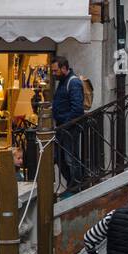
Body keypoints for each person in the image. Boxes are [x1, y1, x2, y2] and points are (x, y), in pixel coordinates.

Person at [51, 56, 86, 191]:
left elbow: (77, 109)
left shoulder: (73, 82)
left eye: (55, 71)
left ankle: (76, 186)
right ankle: (72, 184)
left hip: (69, 128)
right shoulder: (63, 81)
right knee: (59, 157)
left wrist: (64, 123)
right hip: (62, 127)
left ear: (64, 68)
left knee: (70, 158)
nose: (54, 74)